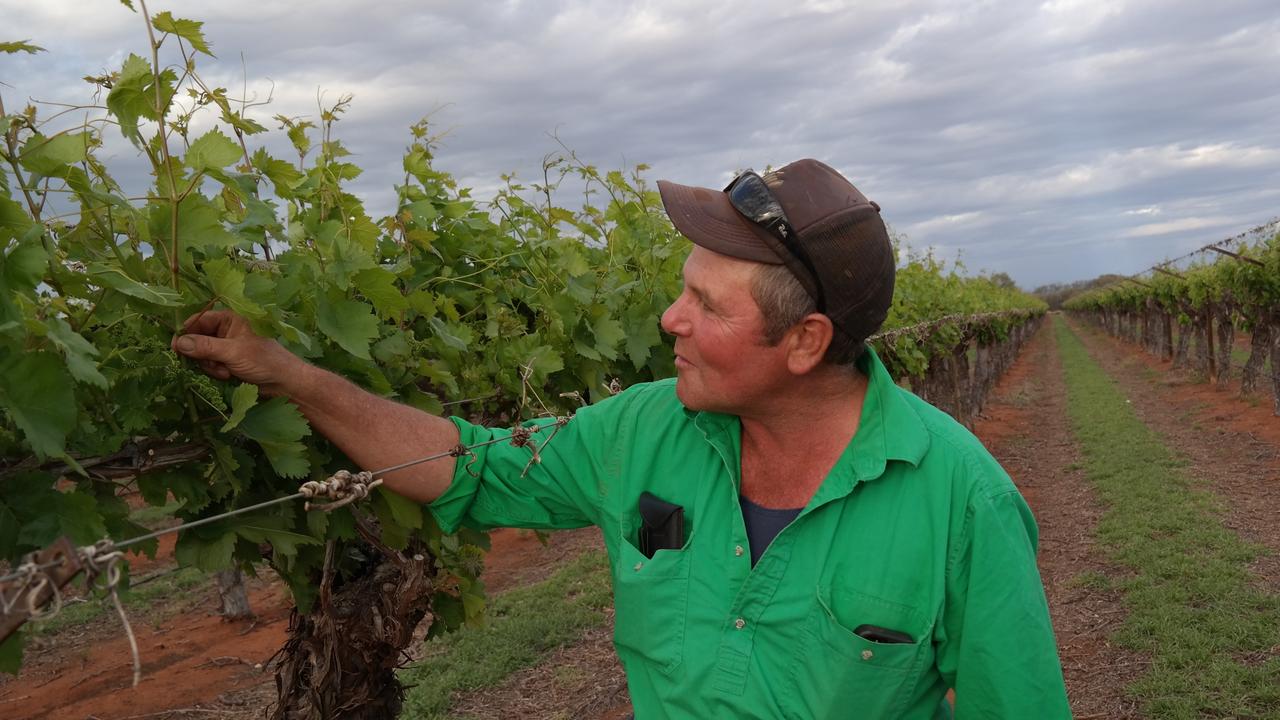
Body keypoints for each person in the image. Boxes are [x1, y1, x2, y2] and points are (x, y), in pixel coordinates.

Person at [173, 159, 1071, 719]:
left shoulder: (964, 500)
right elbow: (466, 466)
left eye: (707, 305)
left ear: (804, 343)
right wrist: (293, 375)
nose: (668, 317)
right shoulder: (644, 429)